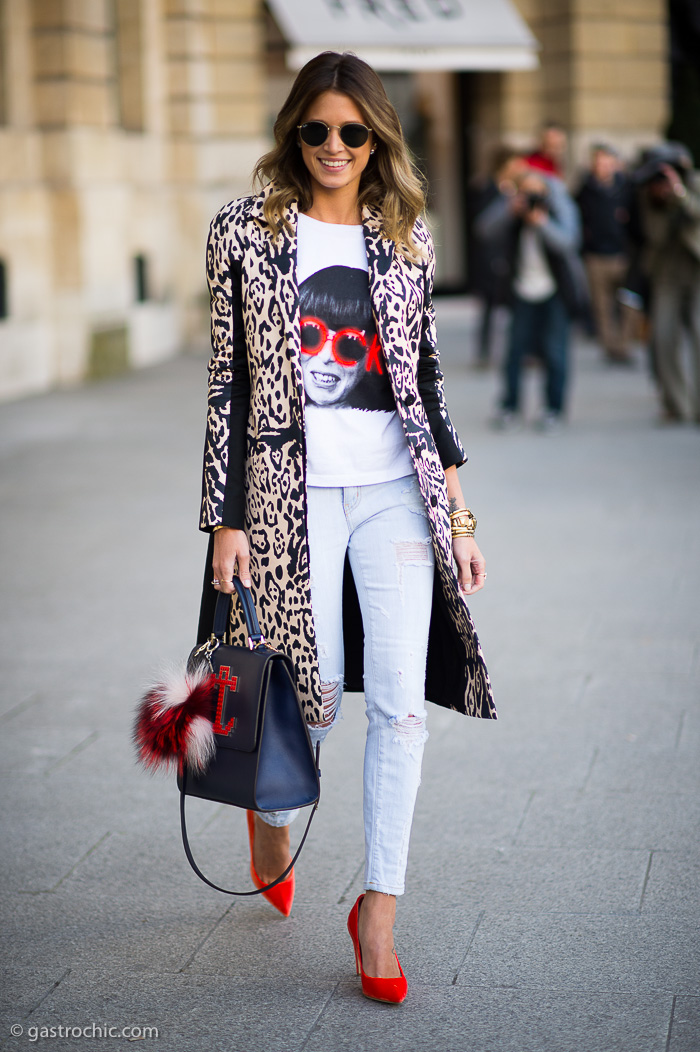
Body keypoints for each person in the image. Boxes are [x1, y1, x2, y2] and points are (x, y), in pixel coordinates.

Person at [196, 51, 495, 1004]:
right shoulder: (243, 234)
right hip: (292, 495)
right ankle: (272, 817)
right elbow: (228, 387)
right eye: (316, 130)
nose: (333, 146)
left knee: (402, 707)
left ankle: (379, 909)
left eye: (352, 132)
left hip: (394, 495)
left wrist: (458, 512)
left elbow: (429, 385)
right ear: (295, 133)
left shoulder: (408, 239)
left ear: (377, 139)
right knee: (310, 705)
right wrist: (225, 519)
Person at [474, 167, 584, 430]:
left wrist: (542, 222)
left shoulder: (559, 209)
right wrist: (509, 210)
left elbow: (568, 242)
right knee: (514, 352)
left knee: (556, 352)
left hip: (555, 292)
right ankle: (509, 405)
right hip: (522, 291)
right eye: (526, 192)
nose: (531, 198)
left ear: (547, 192)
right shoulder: (513, 211)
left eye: (536, 192)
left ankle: (553, 409)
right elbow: (483, 230)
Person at [631, 142, 700, 423]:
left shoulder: (695, 183)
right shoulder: (647, 196)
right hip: (666, 276)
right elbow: (655, 236)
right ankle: (677, 405)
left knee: (698, 337)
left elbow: (696, 214)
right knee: (663, 338)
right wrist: (661, 200)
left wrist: (679, 195)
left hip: (696, 271)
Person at [466, 145, 527, 365]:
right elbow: (482, 225)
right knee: (489, 307)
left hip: (513, 255)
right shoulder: (487, 188)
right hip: (490, 256)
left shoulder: (520, 188)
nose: (520, 168)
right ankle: (484, 353)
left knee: (516, 306)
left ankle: (522, 351)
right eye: (516, 163)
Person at [575, 144, 636, 364]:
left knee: (628, 303)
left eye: (607, 162)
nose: (603, 167)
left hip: (622, 254)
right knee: (601, 306)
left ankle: (624, 344)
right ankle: (610, 347)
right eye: (599, 163)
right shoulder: (585, 190)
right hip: (596, 255)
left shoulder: (626, 188)